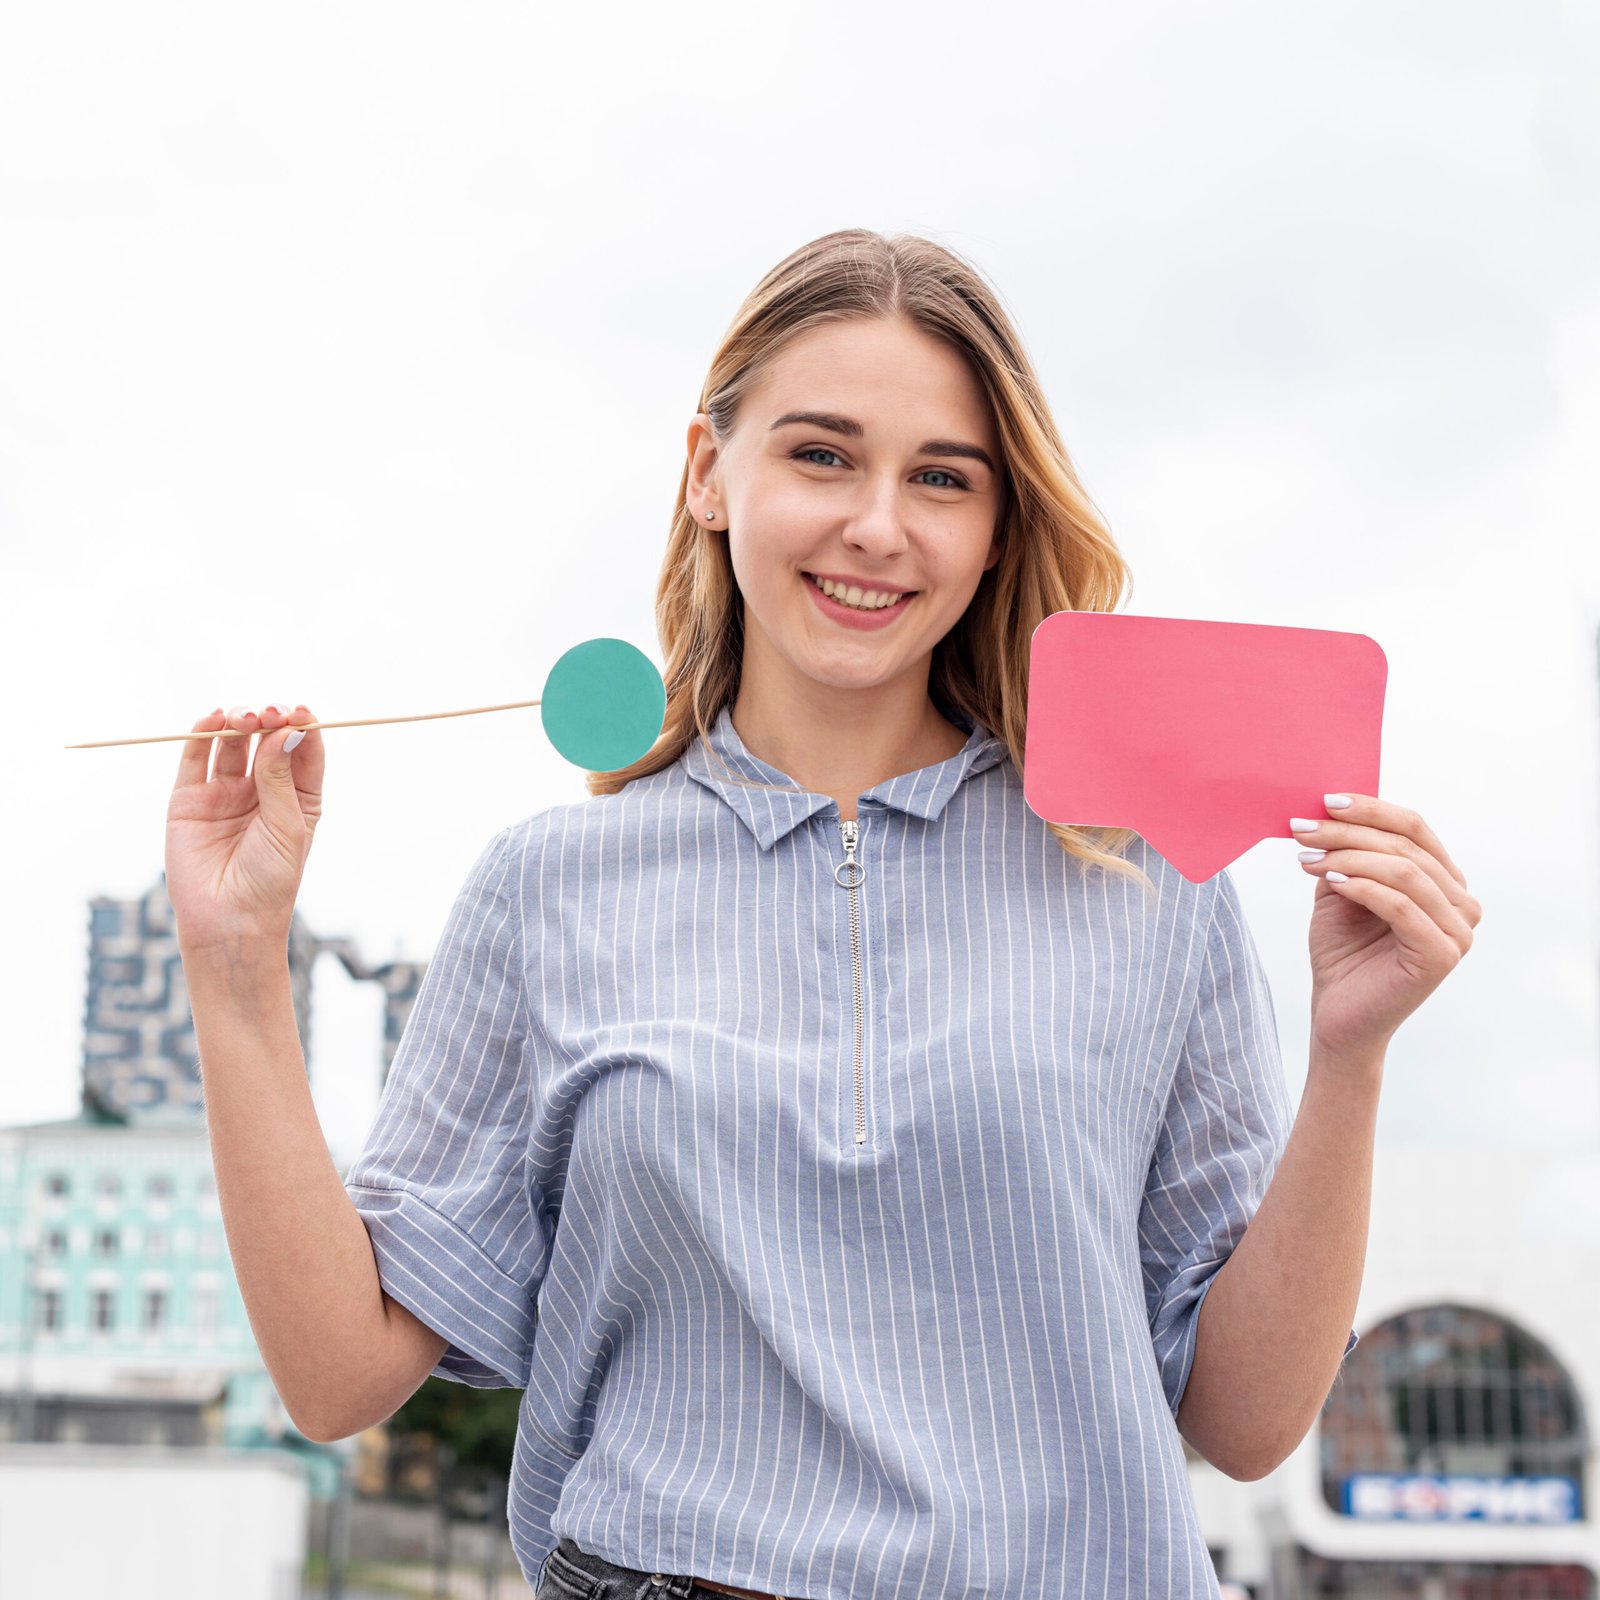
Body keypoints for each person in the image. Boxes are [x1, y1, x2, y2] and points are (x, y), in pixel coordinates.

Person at [166, 228, 1480, 1600]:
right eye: (822, 454)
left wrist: (1352, 1056)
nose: (877, 525)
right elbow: (333, 1379)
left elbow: (1249, 1424)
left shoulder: (1144, 880)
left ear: (993, 529)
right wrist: (238, 965)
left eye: (942, 479)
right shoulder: (544, 888)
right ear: (708, 476)